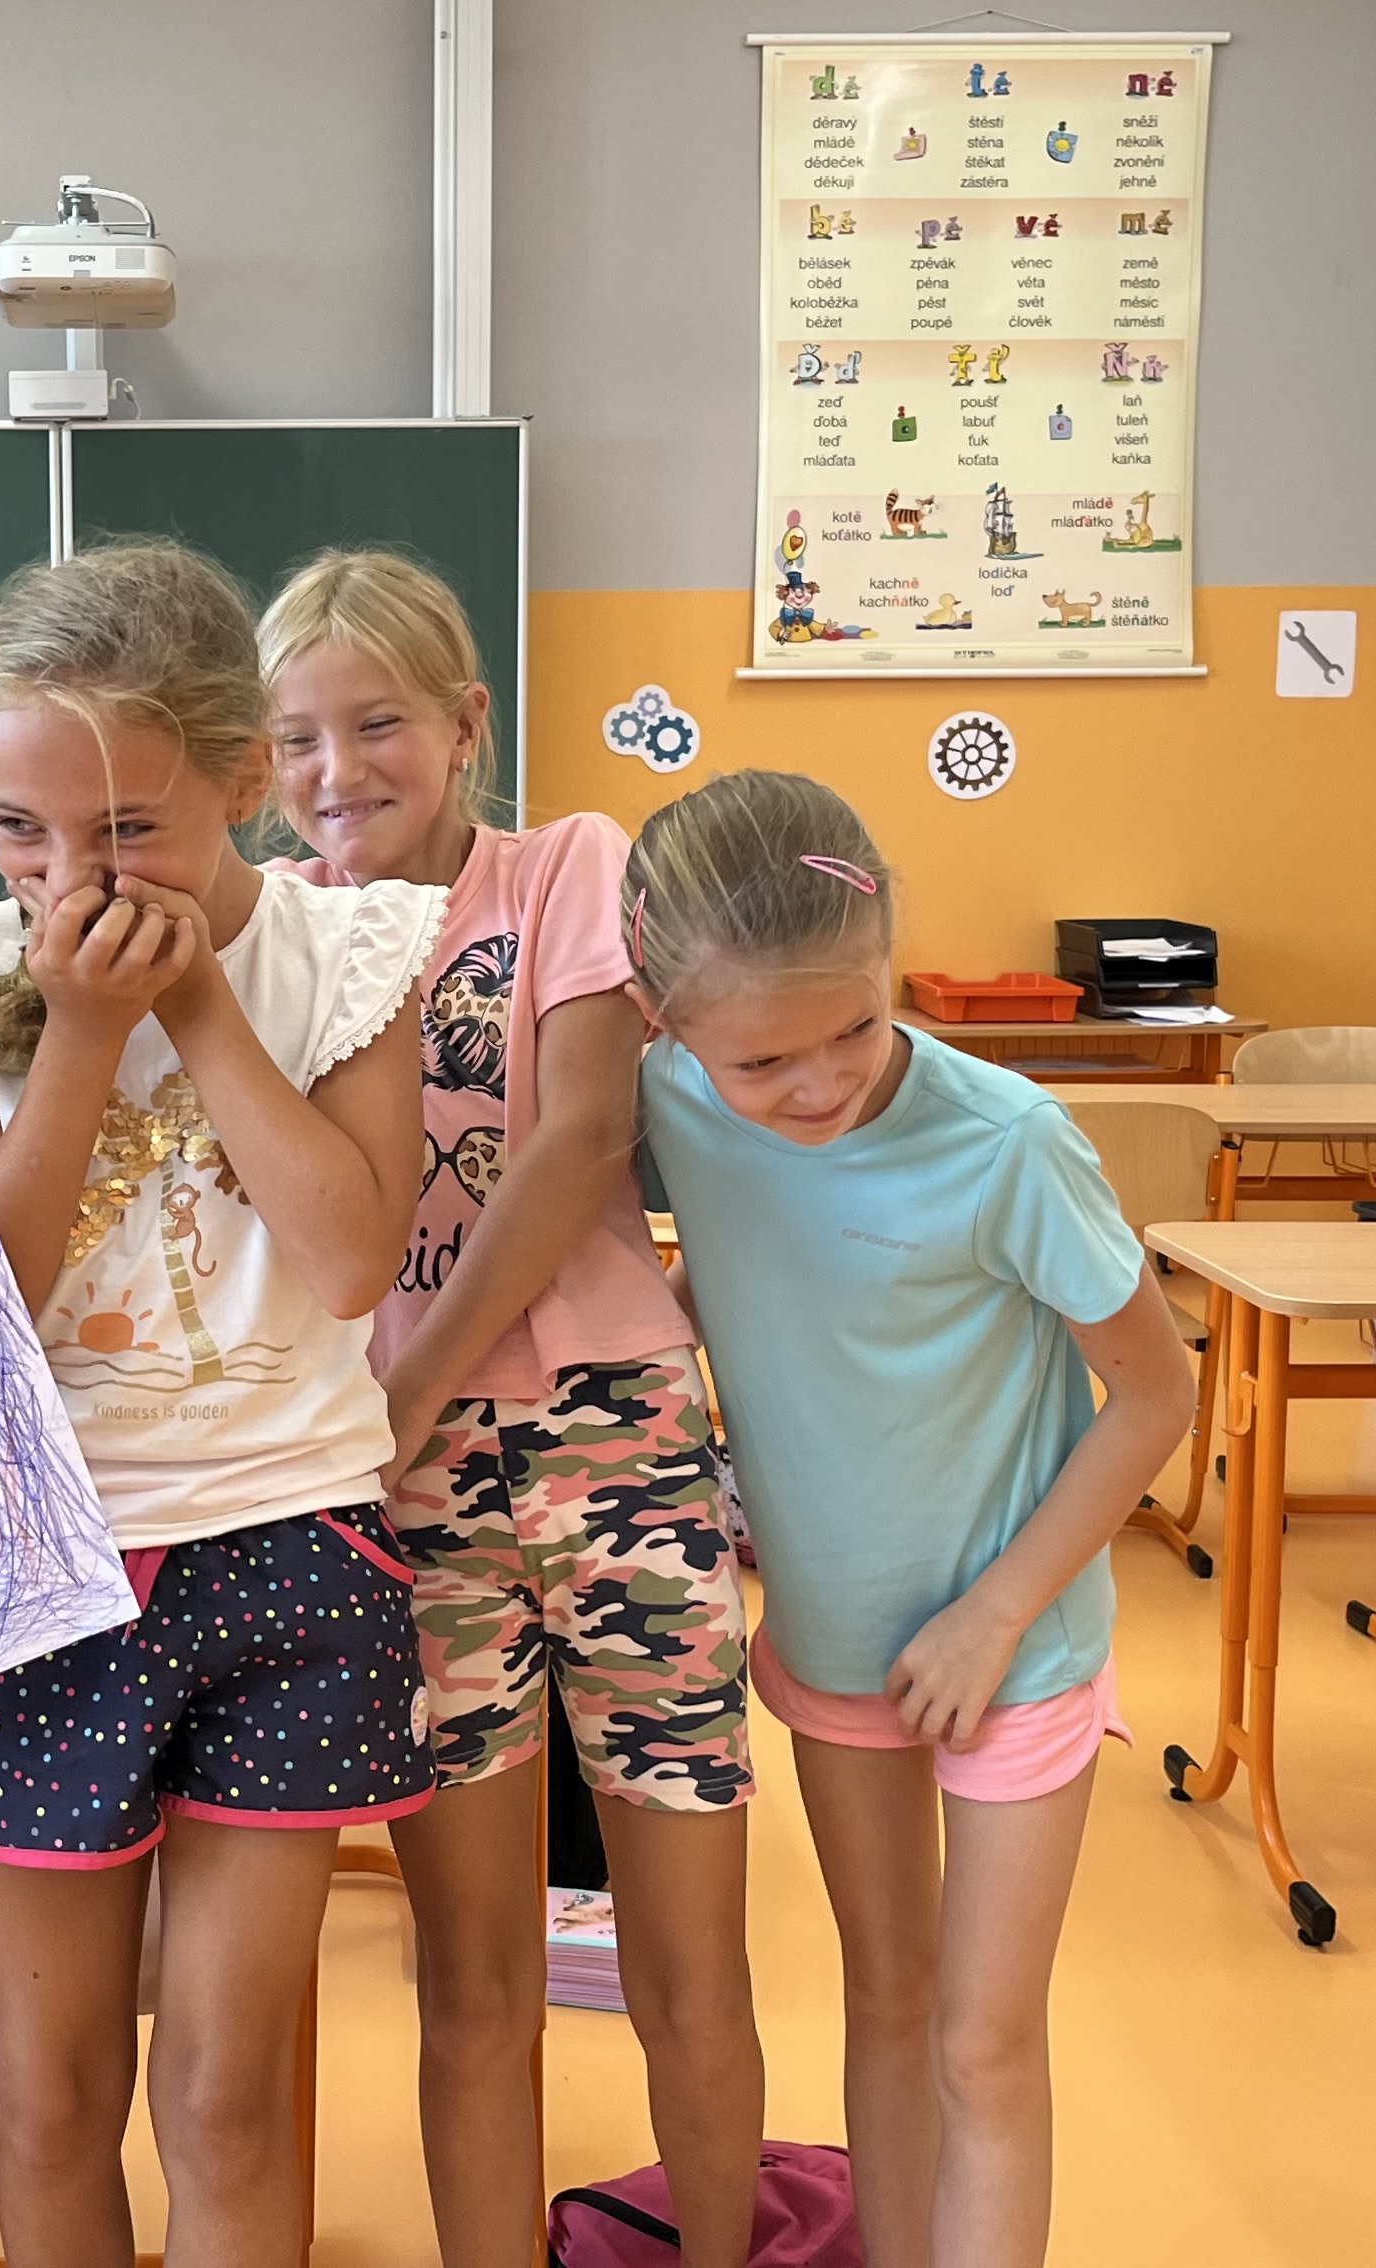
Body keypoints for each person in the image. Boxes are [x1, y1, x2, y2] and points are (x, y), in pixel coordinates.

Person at [0, 541, 444, 2268]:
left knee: (225, 2096)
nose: (65, 878)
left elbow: (350, 1258)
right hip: (49, 1571)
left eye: (124, 829)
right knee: (54, 2099)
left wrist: (190, 1001)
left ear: (246, 778)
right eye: (19, 829)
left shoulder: (351, 954)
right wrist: (74, 1033)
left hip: (294, 1551)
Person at [258, 550, 761, 2268]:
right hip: (400, 1491)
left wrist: (407, 1390)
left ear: (468, 723)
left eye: (379, 723)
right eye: (296, 739)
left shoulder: (565, 868)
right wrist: (383, 1425)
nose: (338, 773)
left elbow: (579, 1139)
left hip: (614, 1442)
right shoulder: (272, 935)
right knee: (473, 1982)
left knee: (691, 1968)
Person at [625, 771, 1194, 2268]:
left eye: (856, 1031)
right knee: (883, 1997)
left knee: (982, 2045)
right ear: (666, 1023)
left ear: (892, 967)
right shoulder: (671, 1097)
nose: (819, 1086)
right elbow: (740, 1261)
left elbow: (1157, 1396)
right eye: (764, 1061)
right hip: (833, 1643)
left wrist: (997, 1613)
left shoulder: (1009, 1142)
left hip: (1017, 1647)